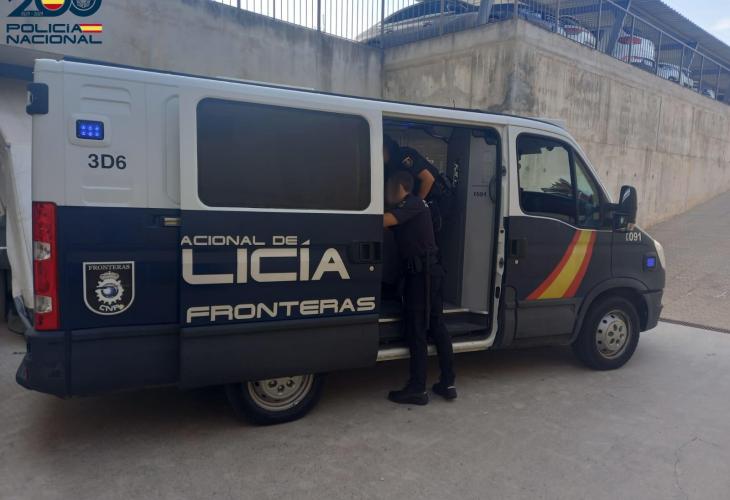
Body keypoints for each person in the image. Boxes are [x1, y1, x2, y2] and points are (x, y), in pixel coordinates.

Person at [383, 170, 456, 405]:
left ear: (399, 187)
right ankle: (447, 383)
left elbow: (385, 221)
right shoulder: (412, 206)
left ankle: (417, 388)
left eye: (387, 187)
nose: (385, 192)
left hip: (422, 276)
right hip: (429, 272)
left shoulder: (412, 203)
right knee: (436, 326)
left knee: (417, 330)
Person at [383, 135, 452, 233]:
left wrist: (414, 206)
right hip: (419, 203)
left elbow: (428, 179)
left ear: (385, 148)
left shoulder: (402, 155)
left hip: (435, 200)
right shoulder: (389, 165)